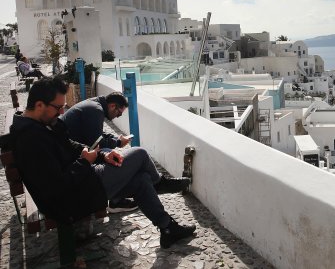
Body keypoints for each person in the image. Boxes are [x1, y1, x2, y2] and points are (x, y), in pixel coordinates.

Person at [10, 77, 196, 248]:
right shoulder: (30, 139)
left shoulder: (41, 125)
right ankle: (160, 183)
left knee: (141, 180)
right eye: (58, 108)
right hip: (68, 201)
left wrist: (100, 156)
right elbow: (56, 185)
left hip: (81, 185)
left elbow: (68, 144)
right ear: (39, 105)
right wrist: (84, 162)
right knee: (139, 153)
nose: (61, 113)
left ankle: (168, 229)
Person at [61, 92, 191, 213]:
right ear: (112, 106)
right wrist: (117, 143)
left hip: (72, 154)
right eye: (119, 113)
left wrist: (116, 139)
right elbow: (96, 143)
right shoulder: (96, 110)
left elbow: (96, 134)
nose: (118, 116)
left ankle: (117, 200)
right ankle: (158, 183)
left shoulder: (93, 105)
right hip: (74, 161)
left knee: (114, 155)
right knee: (139, 154)